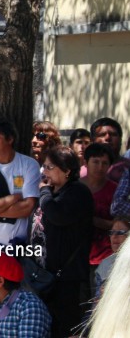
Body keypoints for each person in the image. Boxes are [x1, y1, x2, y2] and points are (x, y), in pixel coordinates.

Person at [38, 145, 93, 338]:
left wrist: (44, 193)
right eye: (44, 166)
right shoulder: (54, 193)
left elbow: (57, 215)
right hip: (50, 274)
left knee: (69, 327)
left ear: (67, 171)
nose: (45, 172)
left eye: (50, 167)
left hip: (70, 276)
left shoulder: (78, 192)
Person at [81, 143, 117, 285]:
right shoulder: (75, 188)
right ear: (85, 162)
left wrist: (92, 220)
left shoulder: (116, 191)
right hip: (77, 258)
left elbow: (119, 225)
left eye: (104, 163)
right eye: (95, 162)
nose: (100, 167)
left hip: (106, 258)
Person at [93, 216, 129, 298]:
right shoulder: (105, 265)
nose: (114, 236)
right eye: (112, 232)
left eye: (120, 233)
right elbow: (96, 305)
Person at [89, 117, 126, 182]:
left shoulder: (127, 168)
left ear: (120, 140)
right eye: (102, 135)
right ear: (92, 141)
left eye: (113, 134)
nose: (108, 138)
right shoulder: (82, 172)